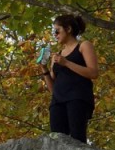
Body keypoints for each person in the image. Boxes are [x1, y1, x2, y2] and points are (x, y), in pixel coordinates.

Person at [40, 13, 98, 143]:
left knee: (77, 138)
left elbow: (93, 73)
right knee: (57, 141)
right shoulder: (57, 56)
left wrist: (66, 63)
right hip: (57, 101)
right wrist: (44, 69)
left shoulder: (84, 46)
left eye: (57, 31)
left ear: (69, 29)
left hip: (78, 97)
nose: (55, 34)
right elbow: (53, 89)